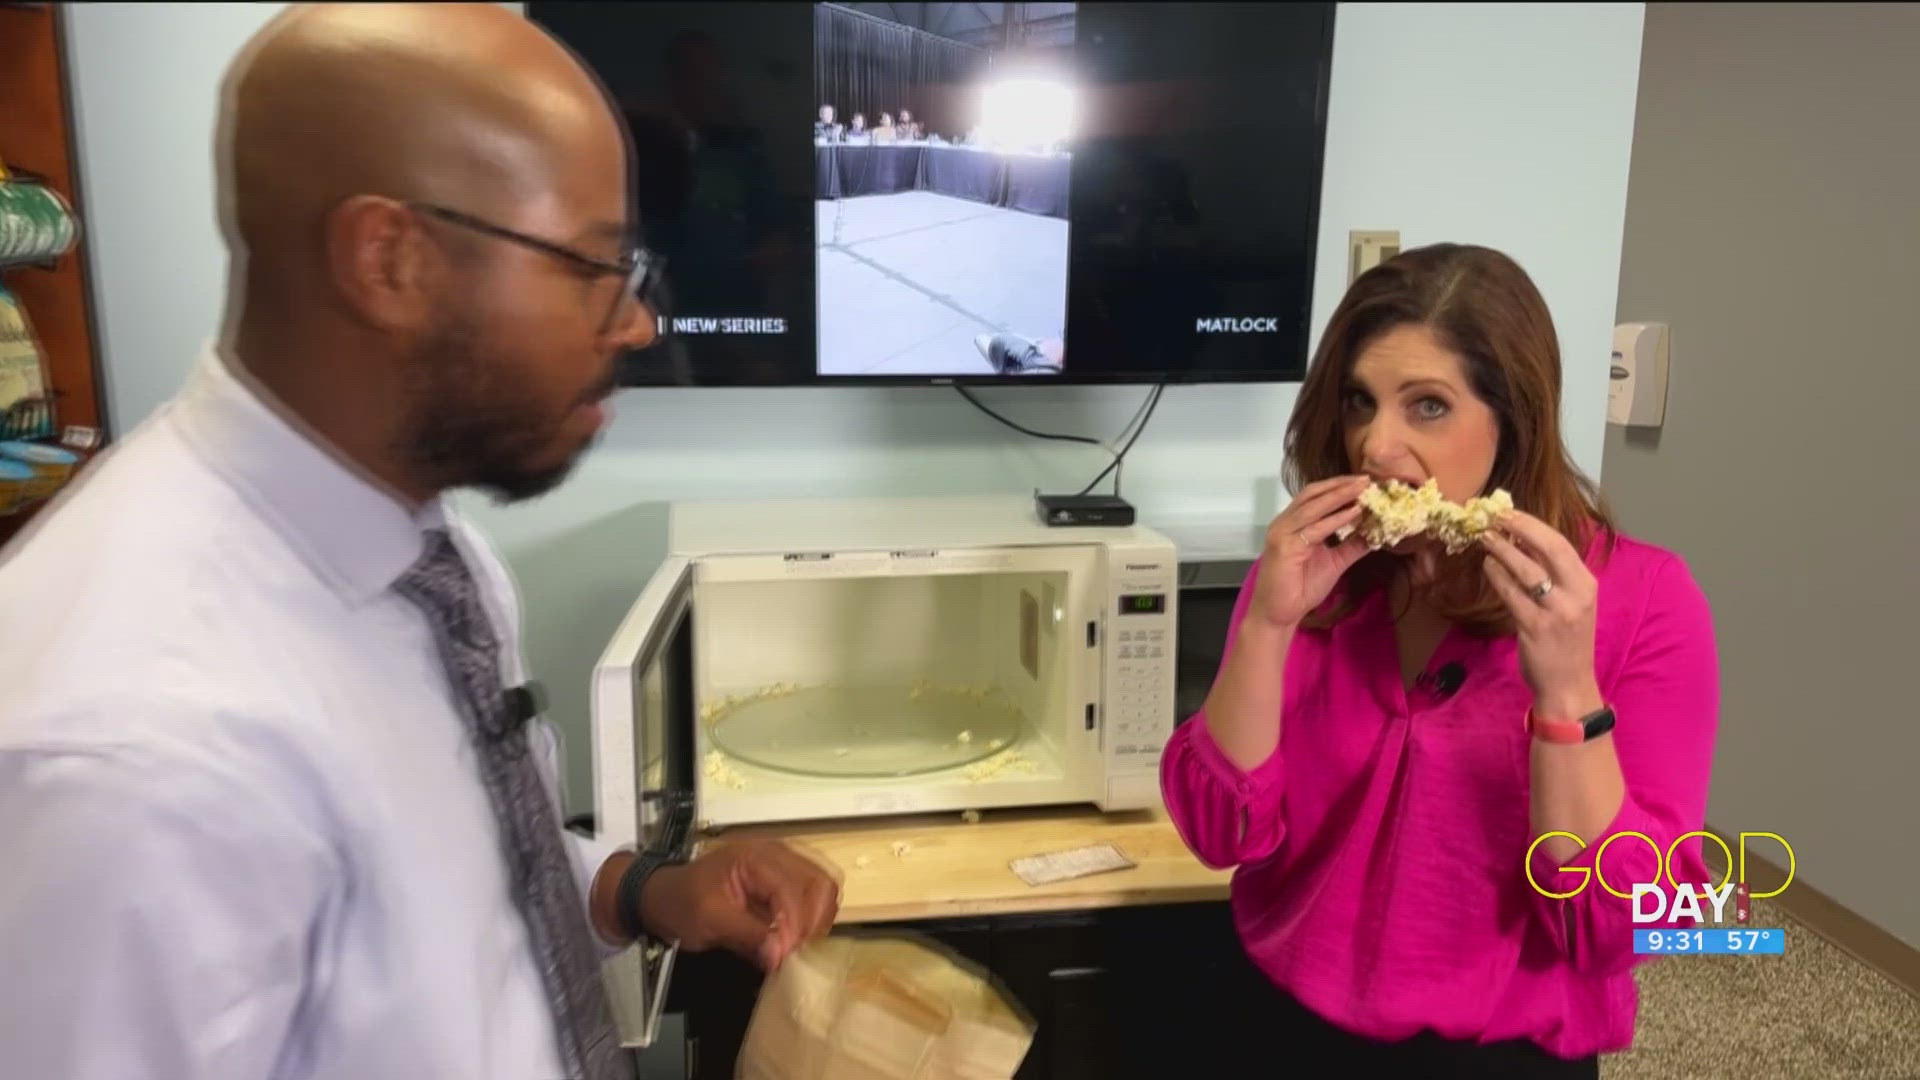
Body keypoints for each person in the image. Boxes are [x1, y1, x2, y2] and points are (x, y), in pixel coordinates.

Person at [0, 5, 839, 1079]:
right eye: (595, 266)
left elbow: (462, 884)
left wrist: (644, 891)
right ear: (389, 258)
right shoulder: (133, 755)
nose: (637, 326)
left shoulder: (419, 548)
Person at [1161, 243, 1718, 1076]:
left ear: (1512, 421)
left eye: (1427, 406)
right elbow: (1219, 832)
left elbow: (1626, 926)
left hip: (1501, 1053)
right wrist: (1268, 625)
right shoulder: (1314, 581)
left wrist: (1567, 691)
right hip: (1278, 1022)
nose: (1376, 446)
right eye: (1359, 401)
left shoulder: (1645, 601)